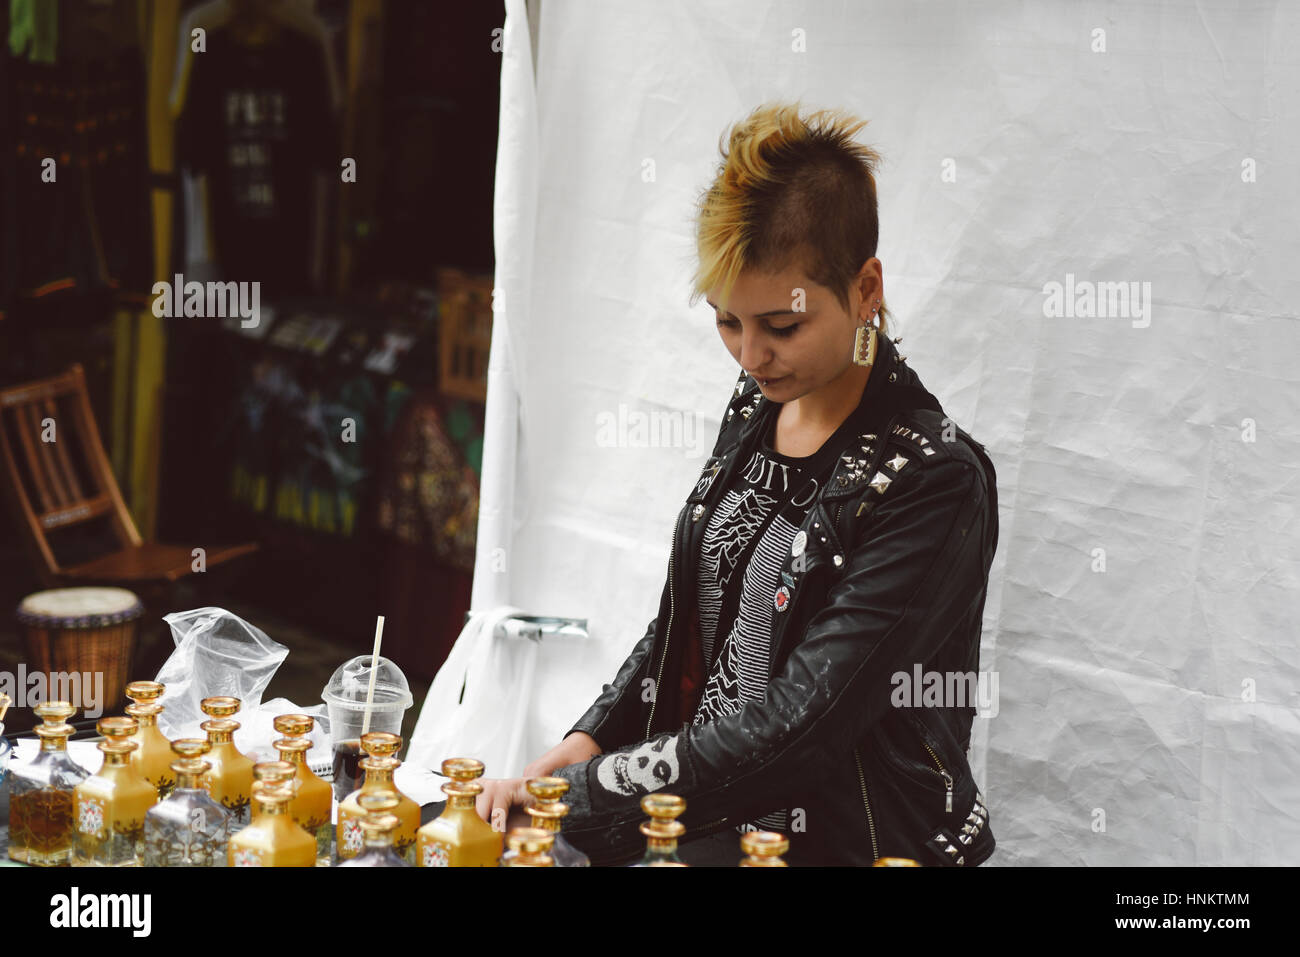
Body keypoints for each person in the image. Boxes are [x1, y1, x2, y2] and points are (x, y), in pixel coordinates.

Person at [477, 101, 1000, 866]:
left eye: (781, 326)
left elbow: (805, 723)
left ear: (865, 289)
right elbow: (691, 615)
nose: (750, 354)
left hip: (854, 844)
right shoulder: (761, 403)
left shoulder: (933, 479)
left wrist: (587, 796)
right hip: (709, 817)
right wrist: (595, 734)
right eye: (727, 320)